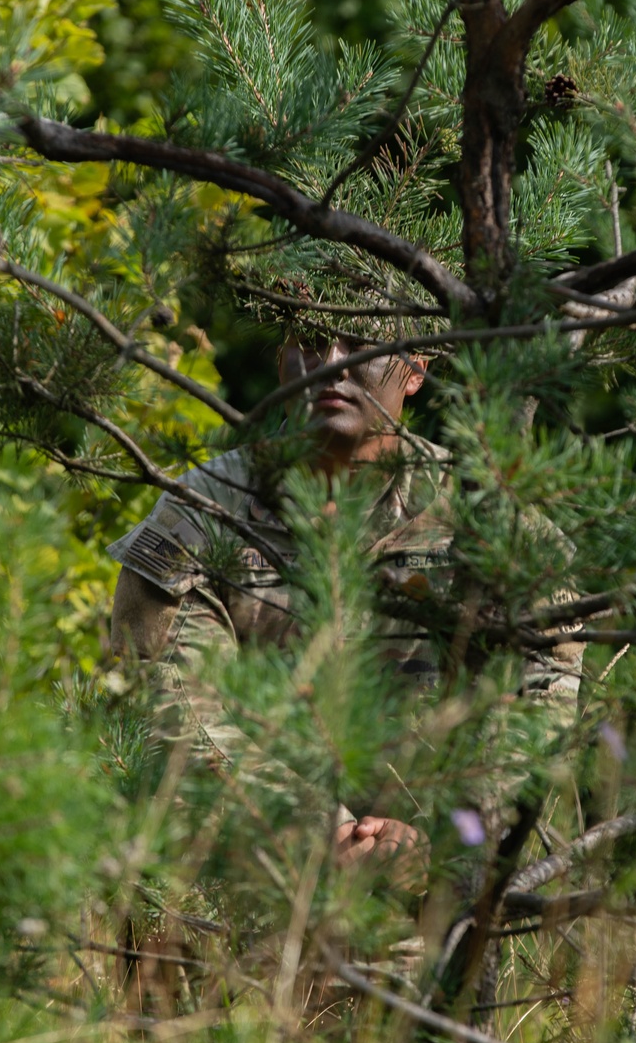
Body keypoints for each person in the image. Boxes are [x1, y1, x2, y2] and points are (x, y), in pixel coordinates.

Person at [109, 329, 447, 876]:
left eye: (361, 339)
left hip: (436, 890)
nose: (331, 364)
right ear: (279, 354)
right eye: (309, 339)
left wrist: (440, 835)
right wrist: (323, 828)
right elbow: (166, 699)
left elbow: (540, 683)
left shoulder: (476, 510)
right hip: (242, 879)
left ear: (415, 369)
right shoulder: (205, 509)